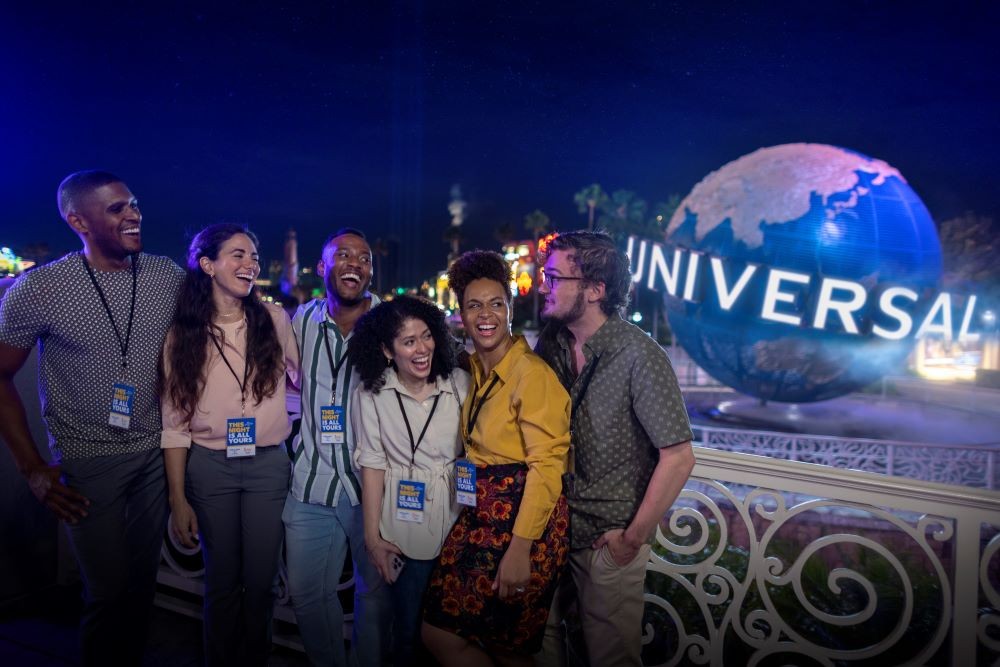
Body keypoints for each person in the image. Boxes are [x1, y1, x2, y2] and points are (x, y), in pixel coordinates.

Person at [0, 170, 184, 666]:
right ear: (78, 220)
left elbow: (224, 318)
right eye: (117, 209)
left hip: (153, 454)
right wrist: (33, 468)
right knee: (106, 592)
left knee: (141, 586)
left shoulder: (165, 274)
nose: (134, 215)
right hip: (86, 462)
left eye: (134, 204)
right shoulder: (39, 289)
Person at [534, 230, 696, 667]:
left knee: (610, 657)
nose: (543, 286)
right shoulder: (551, 345)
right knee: (538, 646)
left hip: (607, 541)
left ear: (595, 289)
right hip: (551, 530)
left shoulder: (640, 355)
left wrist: (632, 538)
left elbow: (679, 456)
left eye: (555, 278)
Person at [422, 250, 571, 667]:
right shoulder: (476, 367)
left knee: (507, 646)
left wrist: (521, 549)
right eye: (474, 305)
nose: (485, 315)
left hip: (523, 525)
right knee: (444, 631)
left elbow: (547, 468)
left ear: (510, 308)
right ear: (461, 313)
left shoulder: (531, 375)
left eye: (495, 304)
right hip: (479, 518)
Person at [160, 223, 299, 666]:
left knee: (260, 583)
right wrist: (178, 498)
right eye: (238, 254)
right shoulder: (183, 333)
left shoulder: (275, 320)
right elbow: (174, 422)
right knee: (221, 581)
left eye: (253, 256)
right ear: (208, 264)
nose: (250, 264)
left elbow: (310, 380)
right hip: (209, 467)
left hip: (267, 467)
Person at [282, 227, 391, 667]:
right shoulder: (300, 321)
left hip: (376, 491)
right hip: (311, 484)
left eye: (364, 258)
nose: (355, 264)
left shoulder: (394, 322)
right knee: (308, 598)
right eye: (343, 255)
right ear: (323, 267)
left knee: (377, 600)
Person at [349, 295, 470, 665]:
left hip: (459, 523)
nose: (422, 349)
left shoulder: (460, 384)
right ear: (387, 350)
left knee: (456, 633)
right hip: (404, 527)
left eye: (426, 336)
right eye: (409, 341)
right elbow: (372, 465)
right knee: (408, 633)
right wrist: (373, 538)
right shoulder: (371, 393)